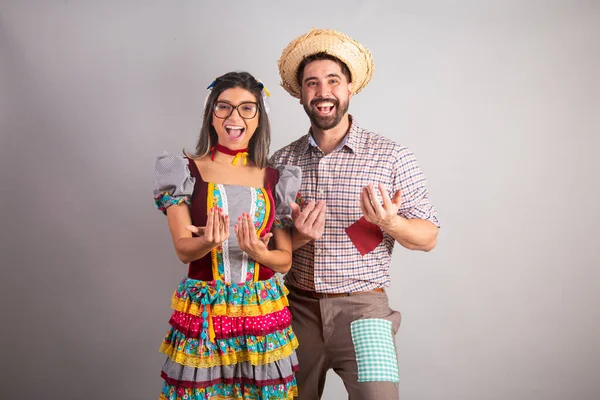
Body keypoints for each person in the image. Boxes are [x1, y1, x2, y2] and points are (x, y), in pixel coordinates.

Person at [270, 28, 440, 399]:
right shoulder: (281, 162)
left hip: (365, 311)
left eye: (333, 80)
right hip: (295, 310)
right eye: (311, 83)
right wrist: (295, 236)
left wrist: (390, 222)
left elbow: (429, 238)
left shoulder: (392, 156)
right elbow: (271, 249)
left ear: (350, 88)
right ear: (301, 94)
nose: (322, 91)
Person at [153, 71, 301, 400]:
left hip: (262, 312)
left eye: (247, 108)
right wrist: (207, 241)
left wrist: (259, 253)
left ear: (259, 118)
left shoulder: (276, 179)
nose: (235, 117)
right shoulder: (184, 170)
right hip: (206, 313)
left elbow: (284, 260)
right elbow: (183, 250)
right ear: (211, 114)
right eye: (224, 107)